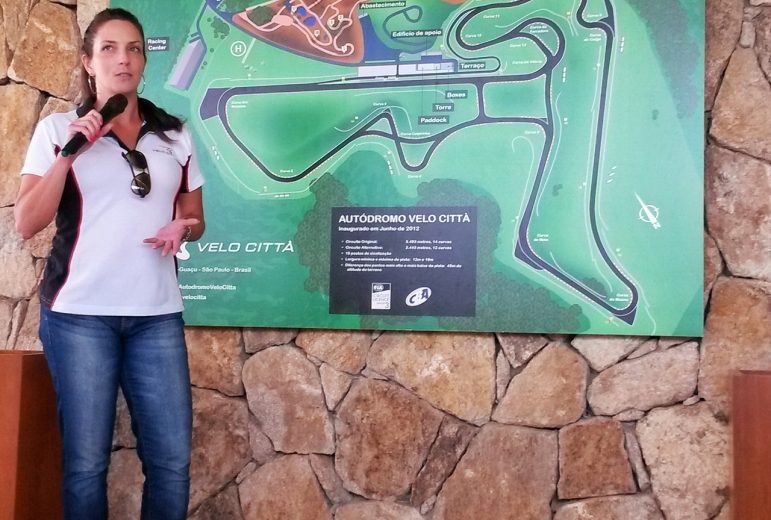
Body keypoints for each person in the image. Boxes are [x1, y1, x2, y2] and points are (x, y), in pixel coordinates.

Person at [14, 8, 204, 519]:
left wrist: (182, 228)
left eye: (134, 49)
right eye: (109, 48)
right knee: (85, 465)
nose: (124, 59)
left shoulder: (175, 134)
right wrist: (70, 154)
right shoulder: (58, 130)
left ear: (144, 60)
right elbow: (27, 222)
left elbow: (195, 217)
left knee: (172, 463)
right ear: (88, 62)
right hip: (79, 316)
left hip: (156, 316)